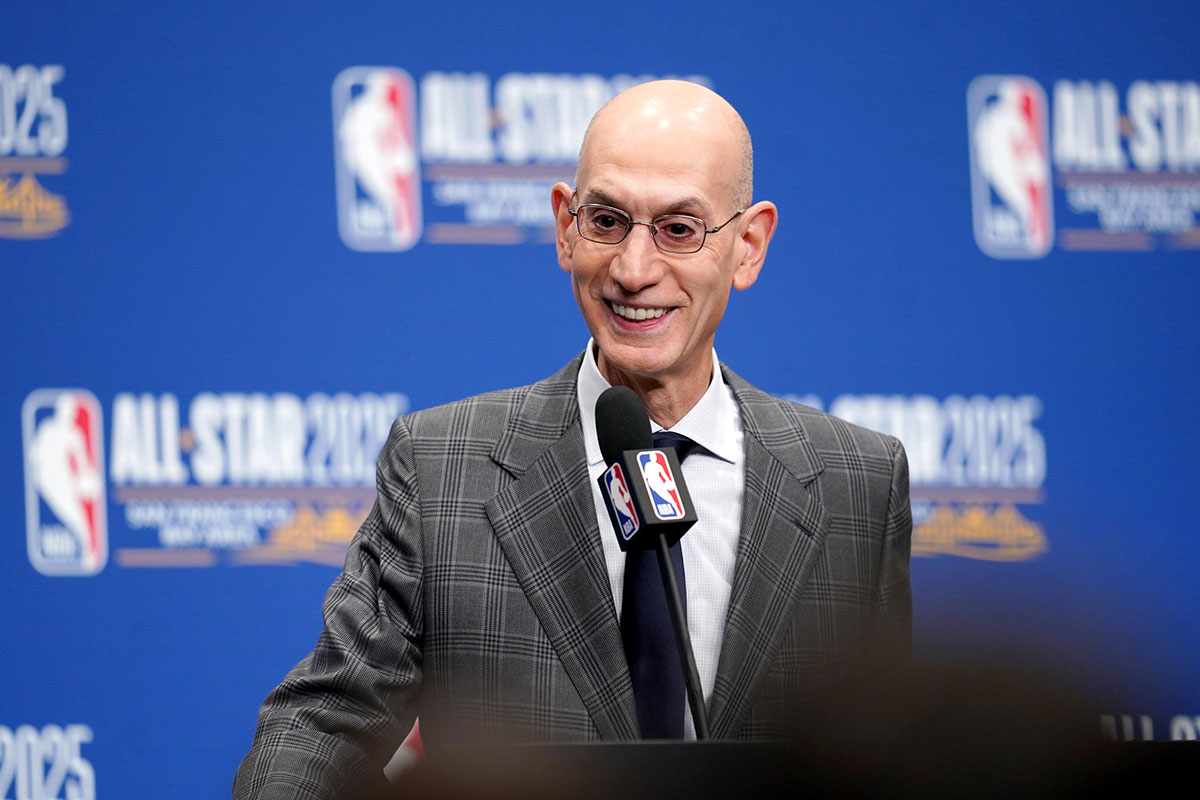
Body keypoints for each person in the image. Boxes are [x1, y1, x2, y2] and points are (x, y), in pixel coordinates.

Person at [233, 80, 911, 799]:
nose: (634, 269)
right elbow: (328, 720)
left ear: (748, 246)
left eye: (679, 228)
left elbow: (888, 755)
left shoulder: (855, 483)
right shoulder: (441, 468)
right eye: (609, 221)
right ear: (566, 227)